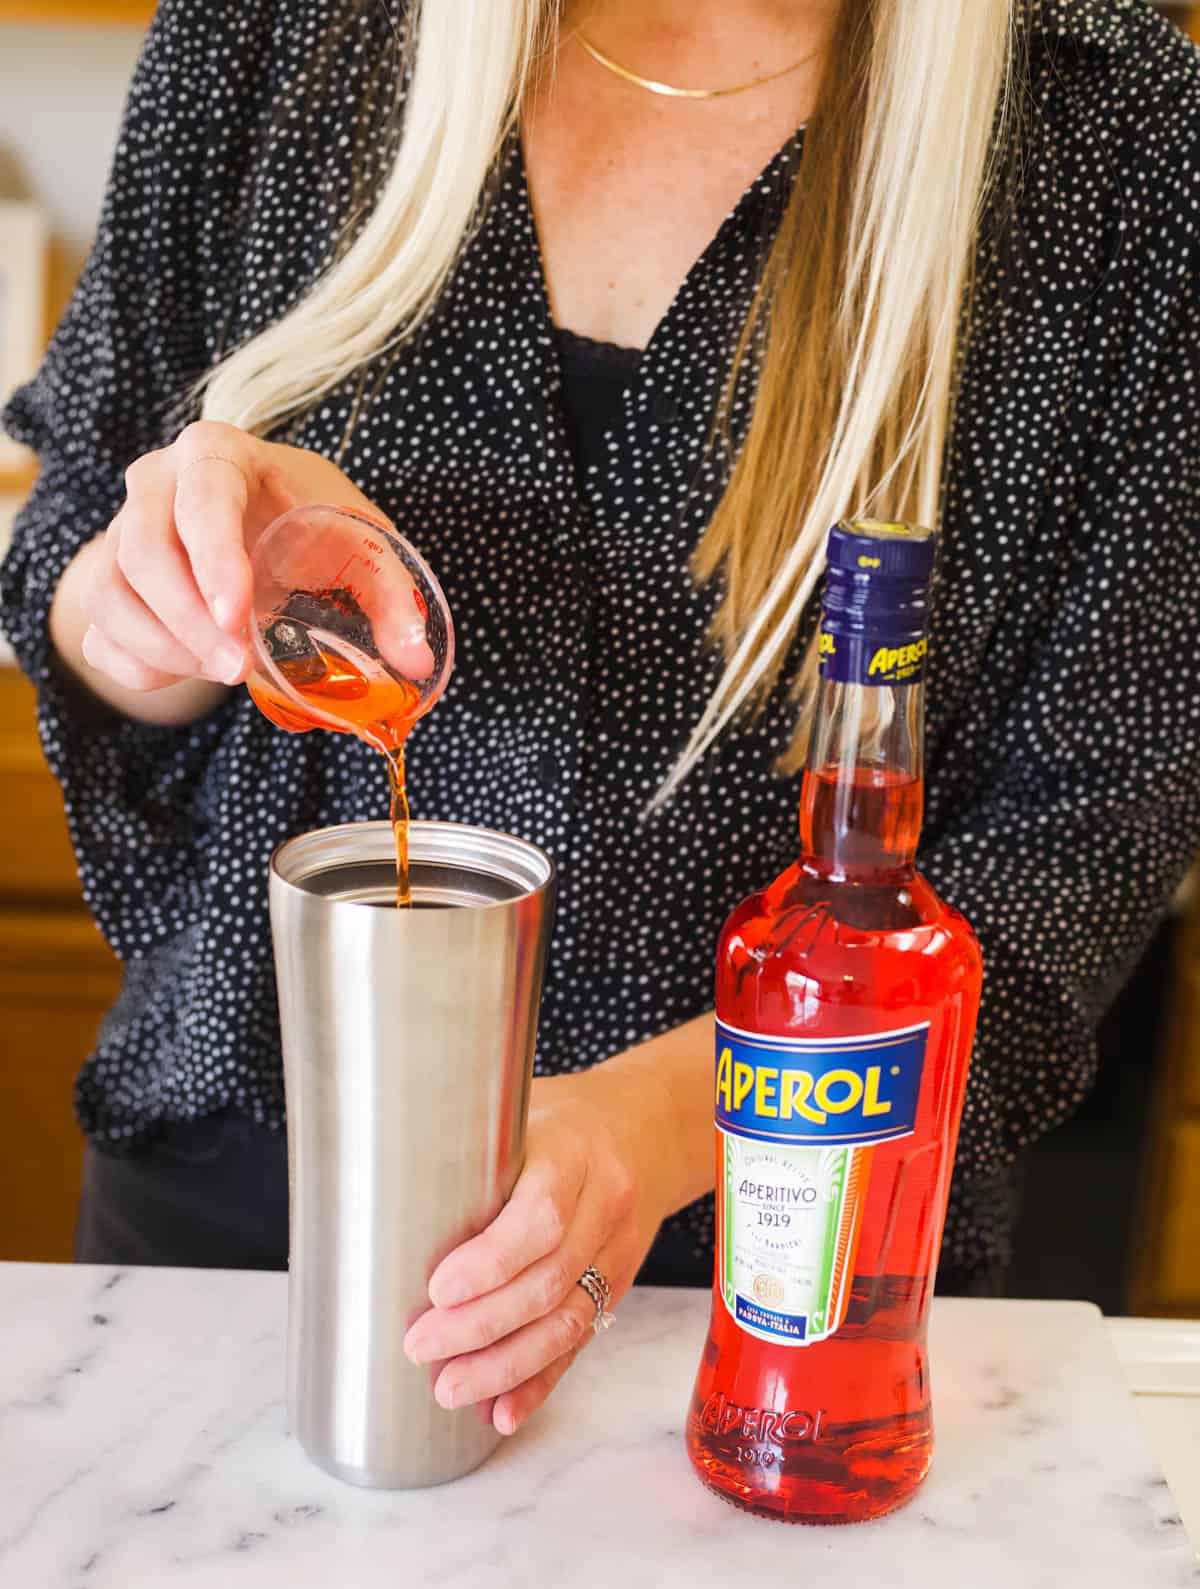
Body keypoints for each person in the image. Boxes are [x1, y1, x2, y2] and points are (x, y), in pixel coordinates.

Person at [2, 0, 1198, 1434]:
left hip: (777, 1297)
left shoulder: (1123, 137)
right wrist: (156, 604)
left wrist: (652, 1128)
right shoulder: (273, 33)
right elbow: (74, 555)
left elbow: (1082, 848)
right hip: (237, 1234)